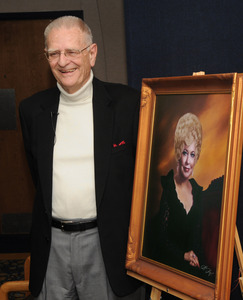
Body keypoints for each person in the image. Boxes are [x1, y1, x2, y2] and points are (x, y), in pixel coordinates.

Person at [19, 15, 144, 299]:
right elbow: (37, 175)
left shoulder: (128, 105)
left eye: (72, 51)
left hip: (106, 245)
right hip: (52, 246)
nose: (63, 62)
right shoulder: (31, 110)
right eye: (54, 53)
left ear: (92, 53)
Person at [144, 113, 207, 279]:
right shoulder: (168, 189)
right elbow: (160, 240)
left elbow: (196, 239)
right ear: (178, 151)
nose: (187, 161)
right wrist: (183, 256)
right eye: (185, 152)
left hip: (189, 274)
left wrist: (194, 255)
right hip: (166, 271)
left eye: (192, 154)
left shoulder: (198, 193)